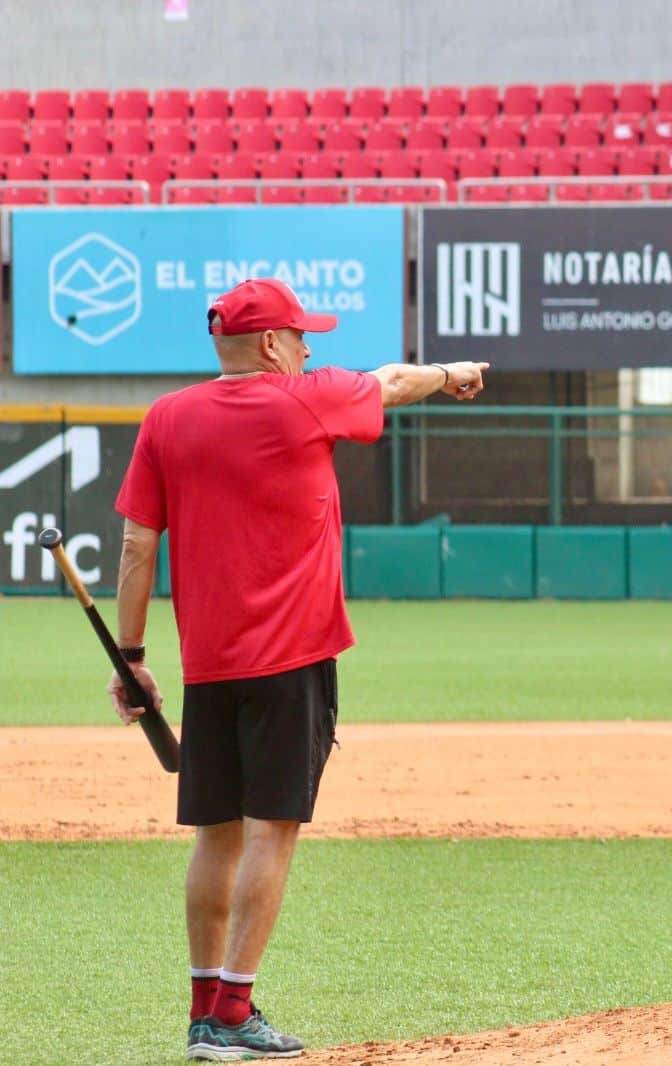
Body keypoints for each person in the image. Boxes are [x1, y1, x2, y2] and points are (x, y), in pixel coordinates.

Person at [109, 278, 489, 1060]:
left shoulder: (166, 418)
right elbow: (390, 381)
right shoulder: (307, 397)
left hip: (207, 666)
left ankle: (203, 1010)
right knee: (269, 834)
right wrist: (451, 372)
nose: (311, 346)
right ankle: (232, 1013)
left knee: (214, 837)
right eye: (303, 335)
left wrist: (134, 659)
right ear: (274, 345)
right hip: (291, 662)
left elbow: (138, 548)